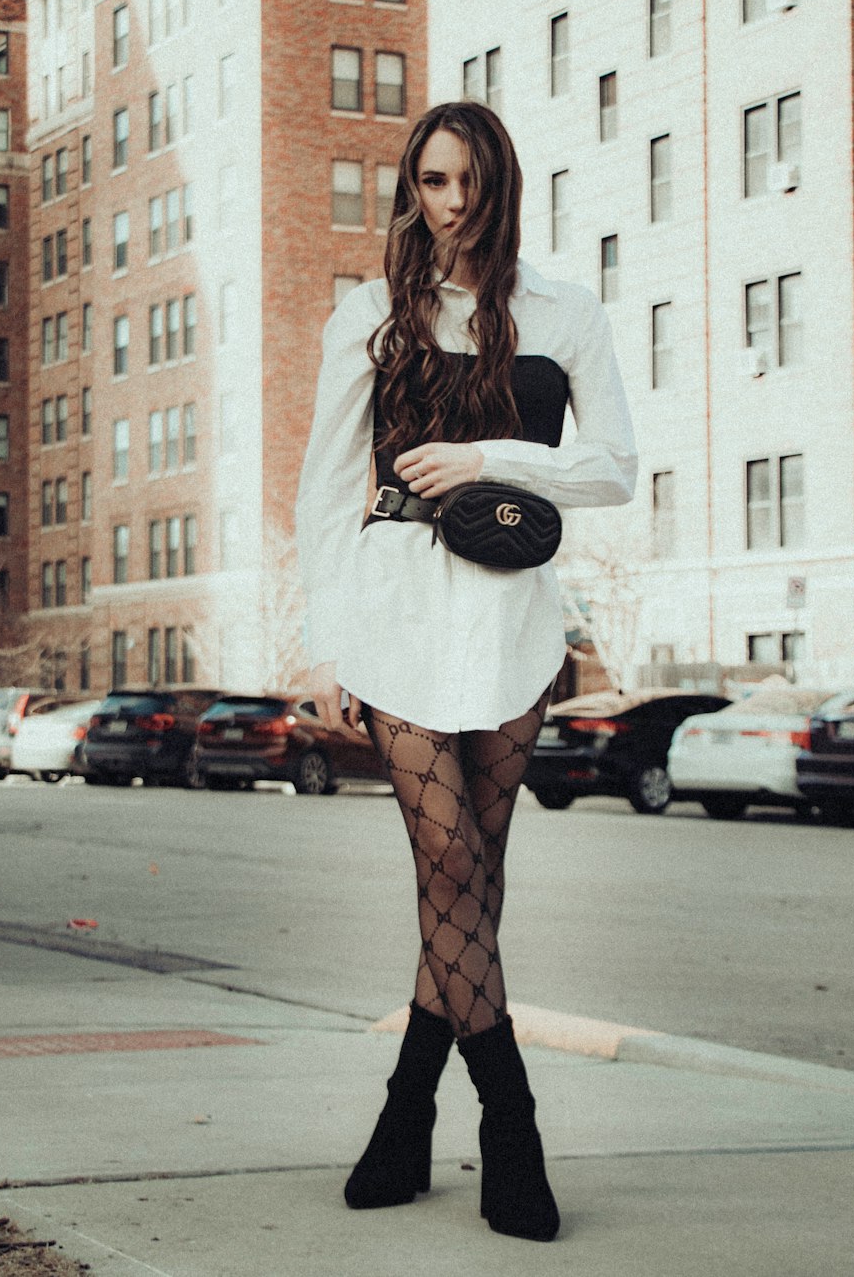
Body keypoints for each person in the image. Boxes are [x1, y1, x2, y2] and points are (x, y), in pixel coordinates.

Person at [296, 101, 637, 1242]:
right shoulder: (370, 318)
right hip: (397, 610)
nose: (452, 205)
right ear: (415, 189)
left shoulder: (565, 310)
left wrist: (490, 456)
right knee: (448, 855)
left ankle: (403, 1117)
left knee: (471, 885)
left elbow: (614, 469)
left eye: (470, 183)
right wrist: (328, 640)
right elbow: (325, 488)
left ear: (503, 188)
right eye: (433, 183)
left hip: (510, 618)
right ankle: (513, 1128)